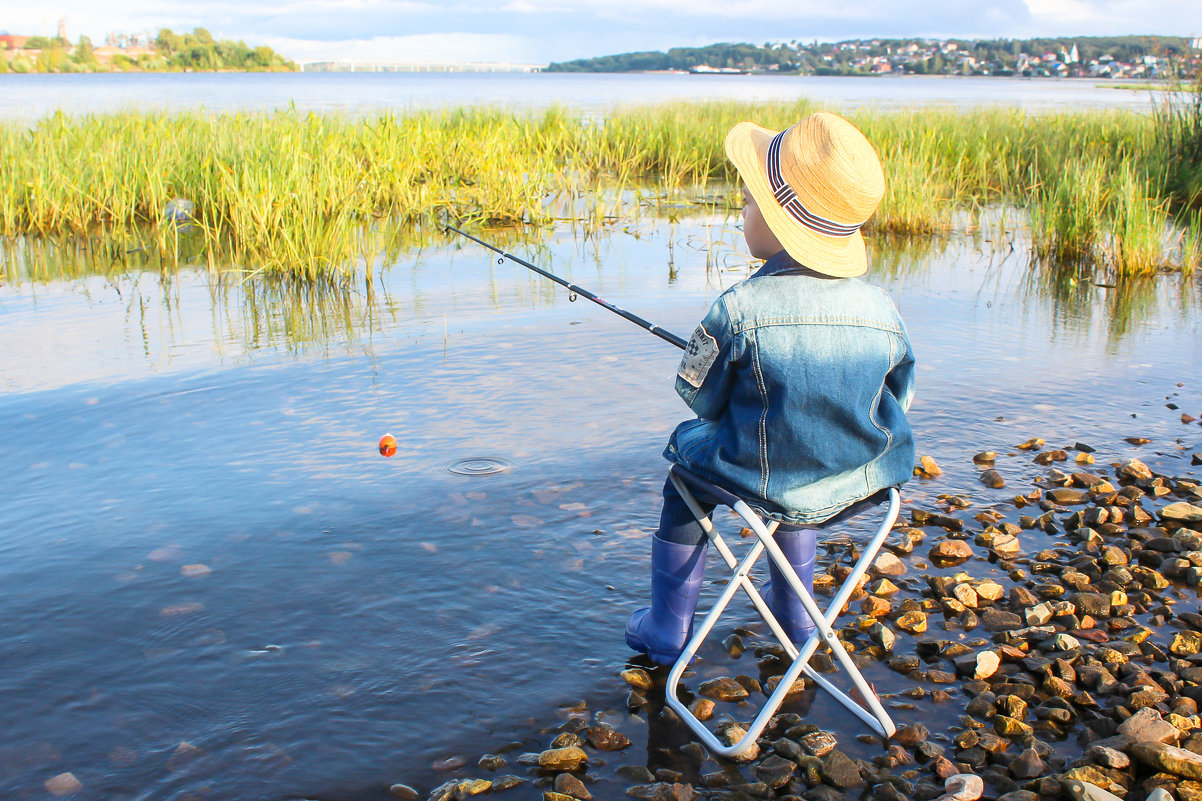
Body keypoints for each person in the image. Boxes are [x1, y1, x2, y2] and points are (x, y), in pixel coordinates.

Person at [625, 111, 916, 666]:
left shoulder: (736, 308)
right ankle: (798, 621)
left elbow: (699, 399)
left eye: (751, 200)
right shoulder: (883, 309)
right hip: (866, 479)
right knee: (794, 473)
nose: (742, 208)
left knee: (683, 469)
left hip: (772, 477)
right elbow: (898, 395)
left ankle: (667, 628)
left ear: (781, 223)